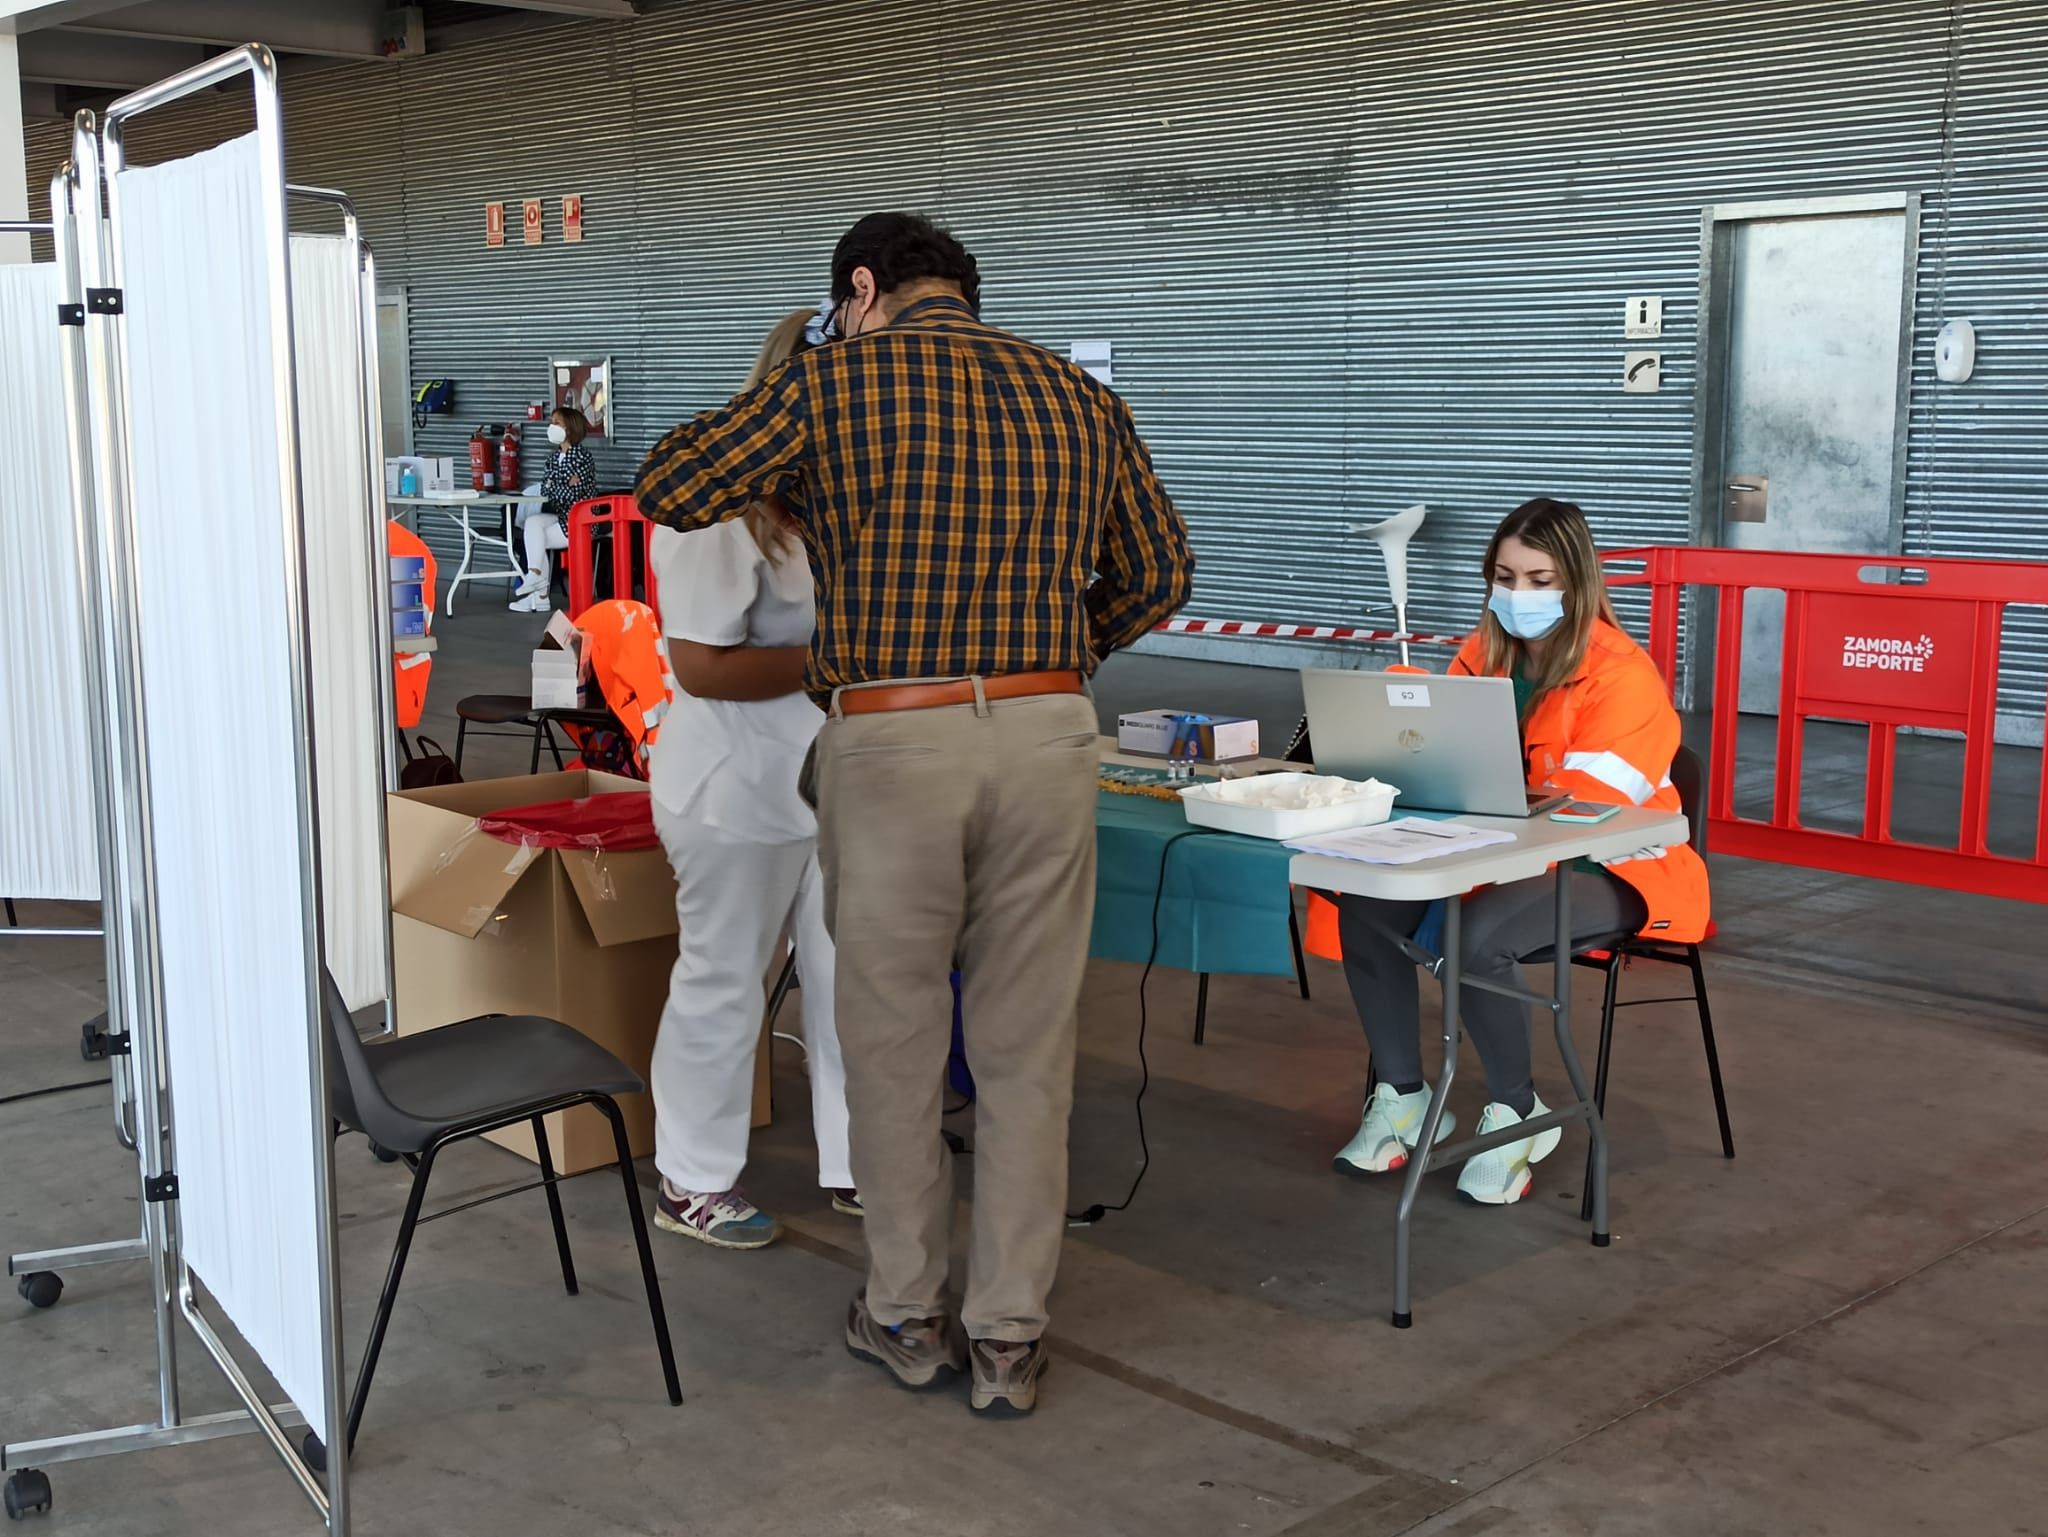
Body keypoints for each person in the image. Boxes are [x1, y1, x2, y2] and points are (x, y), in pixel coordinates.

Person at [636, 213, 1194, 1417]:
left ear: (859, 287)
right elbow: (1158, 571)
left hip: (891, 737)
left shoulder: (835, 380)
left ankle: (903, 1310)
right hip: (1050, 734)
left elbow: (673, 483)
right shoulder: (1073, 395)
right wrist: (1046, 659)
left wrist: (805, 453)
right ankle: (1006, 1337)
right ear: (968, 290)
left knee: (887, 1034)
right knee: (1026, 1045)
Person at [1331, 496, 1710, 1205]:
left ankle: (1518, 1109)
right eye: (1504, 577)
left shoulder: (1623, 676)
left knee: (1476, 938)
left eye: (1538, 579)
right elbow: (1444, 762)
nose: (1517, 595)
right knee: (1367, 904)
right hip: (1497, 848)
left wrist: (1476, 816)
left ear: (1578, 581)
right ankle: (1404, 1095)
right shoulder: (1482, 654)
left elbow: (1584, 816)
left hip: (1618, 862)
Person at [643, 308, 855, 1252]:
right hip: (735, 783)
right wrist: (845, 658)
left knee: (853, 979)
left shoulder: (842, 495)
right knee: (726, 978)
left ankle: (862, 1161)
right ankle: (693, 1178)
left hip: (837, 773)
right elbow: (702, 665)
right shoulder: (715, 507)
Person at [511, 406, 597, 613]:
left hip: (579, 521)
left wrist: (555, 487)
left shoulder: (583, 457)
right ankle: (536, 580)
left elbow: (575, 494)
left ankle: (539, 594)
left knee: (536, 539)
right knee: (533, 523)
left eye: (557, 423)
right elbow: (545, 488)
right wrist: (563, 485)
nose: (552, 426)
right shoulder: (552, 458)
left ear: (570, 428)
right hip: (560, 516)